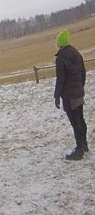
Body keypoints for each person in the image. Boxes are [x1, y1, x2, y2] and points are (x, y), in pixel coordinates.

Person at [54, 29, 88, 160]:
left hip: (69, 95)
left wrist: (56, 95)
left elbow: (60, 79)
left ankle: (79, 150)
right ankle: (84, 145)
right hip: (78, 93)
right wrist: (80, 87)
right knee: (81, 119)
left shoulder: (61, 58)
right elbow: (83, 73)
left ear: (60, 43)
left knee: (75, 122)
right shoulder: (76, 53)